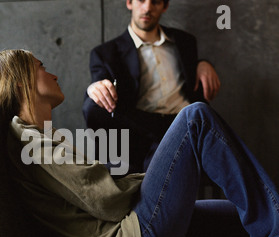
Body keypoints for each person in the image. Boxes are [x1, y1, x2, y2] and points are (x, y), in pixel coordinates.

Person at [0, 49, 279, 237]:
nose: (54, 73)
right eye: (42, 67)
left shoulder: (37, 136)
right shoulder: (30, 142)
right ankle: (275, 236)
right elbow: (111, 201)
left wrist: (162, 179)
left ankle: (271, 224)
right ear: (22, 84)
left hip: (135, 228)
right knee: (194, 117)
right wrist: (159, 177)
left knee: (232, 212)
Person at [83, 0, 221, 174]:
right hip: (141, 129)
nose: (147, 8)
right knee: (92, 106)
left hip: (184, 123)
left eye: (155, 2)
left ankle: (260, 199)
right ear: (129, 3)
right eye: (141, 0)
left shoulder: (185, 41)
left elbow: (192, 70)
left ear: (165, 6)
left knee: (224, 145)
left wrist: (203, 63)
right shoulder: (105, 53)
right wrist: (93, 88)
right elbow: (100, 85)